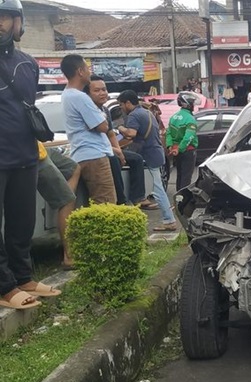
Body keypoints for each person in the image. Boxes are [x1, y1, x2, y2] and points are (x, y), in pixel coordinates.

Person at [0, 0, 61, 310]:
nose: (0, 24)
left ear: (18, 22)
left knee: (21, 223)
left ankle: (23, 276)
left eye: (5, 18)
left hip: (25, 154)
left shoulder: (29, 64)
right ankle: (4, 286)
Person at [84, 75, 154, 209]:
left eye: (104, 89)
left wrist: (119, 151)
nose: (102, 93)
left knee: (136, 159)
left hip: (109, 148)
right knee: (113, 160)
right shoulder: (87, 109)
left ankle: (138, 198)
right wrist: (116, 152)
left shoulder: (105, 110)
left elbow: (110, 133)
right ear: (87, 94)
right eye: (97, 90)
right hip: (96, 151)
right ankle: (121, 202)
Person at [117, 90, 178, 232]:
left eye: (121, 105)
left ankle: (169, 220)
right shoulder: (147, 112)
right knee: (158, 188)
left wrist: (120, 128)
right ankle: (169, 219)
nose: (121, 108)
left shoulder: (133, 115)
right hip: (157, 153)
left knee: (158, 190)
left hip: (150, 155)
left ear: (127, 103)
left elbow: (131, 134)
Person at [60, 54, 116, 204]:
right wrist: (101, 115)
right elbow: (103, 126)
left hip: (82, 153)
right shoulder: (80, 97)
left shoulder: (67, 94)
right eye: (87, 68)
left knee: (94, 203)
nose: (89, 72)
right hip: (94, 155)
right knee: (106, 203)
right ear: (80, 71)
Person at [37, 143, 81, 270]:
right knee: (67, 200)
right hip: (29, 151)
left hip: (41, 147)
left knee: (73, 167)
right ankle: (69, 256)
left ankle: (64, 196)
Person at [166, 92, 199, 191]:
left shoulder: (173, 117)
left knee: (179, 177)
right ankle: (183, 202)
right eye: (192, 102)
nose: (194, 105)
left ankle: (178, 200)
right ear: (187, 104)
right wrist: (181, 148)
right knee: (186, 178)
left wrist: (170, 146)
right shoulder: (190, 119)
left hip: (175, 151)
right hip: (187, 151)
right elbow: (189, 137)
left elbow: (168, 133)